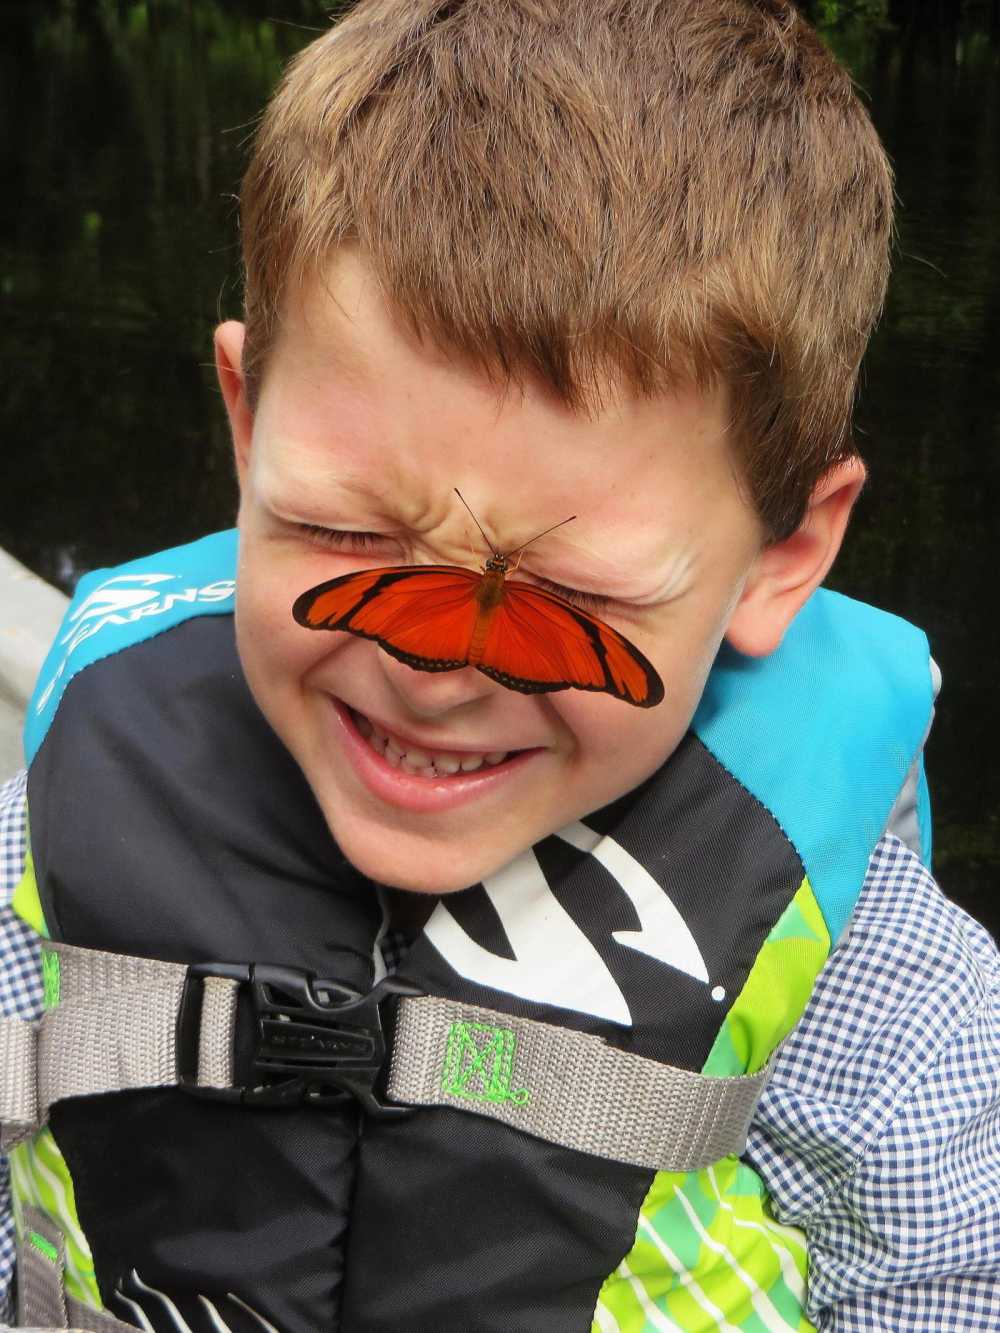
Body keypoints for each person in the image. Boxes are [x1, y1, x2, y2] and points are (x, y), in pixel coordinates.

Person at [1, 0, 998, 1328]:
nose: (433, 670)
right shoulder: (54, 839)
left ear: (781, 554)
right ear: (246, 424)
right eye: (347, 531)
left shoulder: (878, 999)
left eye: (574, 593)